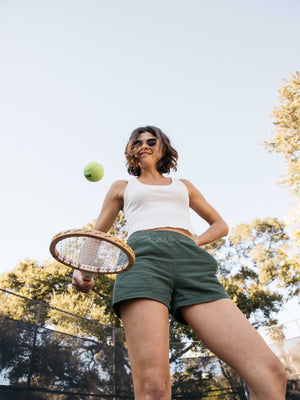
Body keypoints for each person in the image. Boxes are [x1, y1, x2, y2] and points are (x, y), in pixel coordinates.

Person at [73, 126, 286, 400]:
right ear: (130, 151)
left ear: (163, 148)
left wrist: (190, 242)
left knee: (272, 372)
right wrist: (82, 267)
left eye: (151, 141)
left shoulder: (183, 186)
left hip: (192, 264)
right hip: (142, 262)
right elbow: (97, 234)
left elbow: (220, 225)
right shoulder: (122, 187)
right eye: (136, 142)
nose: (144, 145)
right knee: (154, 389)